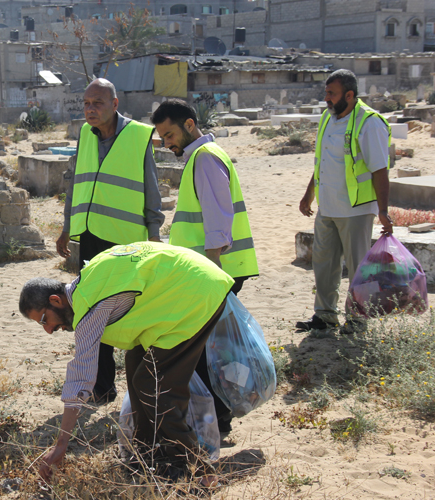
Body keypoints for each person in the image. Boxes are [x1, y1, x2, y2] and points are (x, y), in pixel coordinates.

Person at [19, 242, 232, 485]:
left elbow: (80, 378)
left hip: (196, 293)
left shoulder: (89, 306)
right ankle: (147, 455)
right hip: (191, 282)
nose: (48, 330)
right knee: (135, 364)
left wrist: (61, 445)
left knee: (153, 386)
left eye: (44, 320)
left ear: (56, 300)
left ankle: (198, 469)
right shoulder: (88, 281)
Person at [151, 99, 259, 434]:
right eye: (162, 137)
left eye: (170, 134)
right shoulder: (203, 157)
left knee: (205, 353)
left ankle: (218, 421)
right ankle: (214, 419)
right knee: (209, 349)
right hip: (212, 270)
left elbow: (217, 221)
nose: (168, 143)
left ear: (189, 124)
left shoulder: (206, 158)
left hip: (214, 270)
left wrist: (213, 276)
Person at [55, 78, 164, 404]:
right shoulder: (85, 137)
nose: (90, 109)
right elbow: (76, 185)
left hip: (125, 243)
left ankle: (142, 384)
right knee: (90, 312)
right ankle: (103, 387)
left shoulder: (137, 136)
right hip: (90, 236)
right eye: (87, 103)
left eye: (98, 103)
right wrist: (66, 228)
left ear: (115, 104)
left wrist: (155, 236)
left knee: (128, 312)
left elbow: (151, 191)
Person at [297, 69, 392, 335]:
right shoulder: (328, 118)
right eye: (326, 93)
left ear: (349, 95)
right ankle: (325, 316)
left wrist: (382, 210)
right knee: (324, 266)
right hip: (327, 207)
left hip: (355, 210)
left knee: (358, 267)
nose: (326, 99)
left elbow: (379, 170)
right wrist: (309, 194)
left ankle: (358, 319)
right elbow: (323, 162)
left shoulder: (369, 123)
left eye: (331, 94)